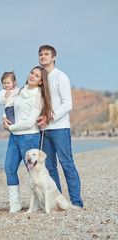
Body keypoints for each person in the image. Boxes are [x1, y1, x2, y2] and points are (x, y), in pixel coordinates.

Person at [37, 45, 83, 209]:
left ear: (53, 57)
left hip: (59, 128)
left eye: (46, 54)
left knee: (66, 164)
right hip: (43, 130)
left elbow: (68, 104)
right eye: (41, 54)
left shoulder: (60, 76)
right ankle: (58, 201)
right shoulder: (39, 78)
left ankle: (76, 202)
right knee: (49, 168)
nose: (43, 56)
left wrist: (50, 117)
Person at [3, 66, 52, 213]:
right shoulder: (20, 91)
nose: (32, 76)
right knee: (9, 168)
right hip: (15, 137)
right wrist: (4, 120)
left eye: (36, 76)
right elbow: (7, 106)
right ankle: (15, 204)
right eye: (32, 73)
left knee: (34, 171)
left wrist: (10, 128)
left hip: (29, 136)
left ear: (41, 82)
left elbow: (30, 122)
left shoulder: (39, 97)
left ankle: (36, 204)